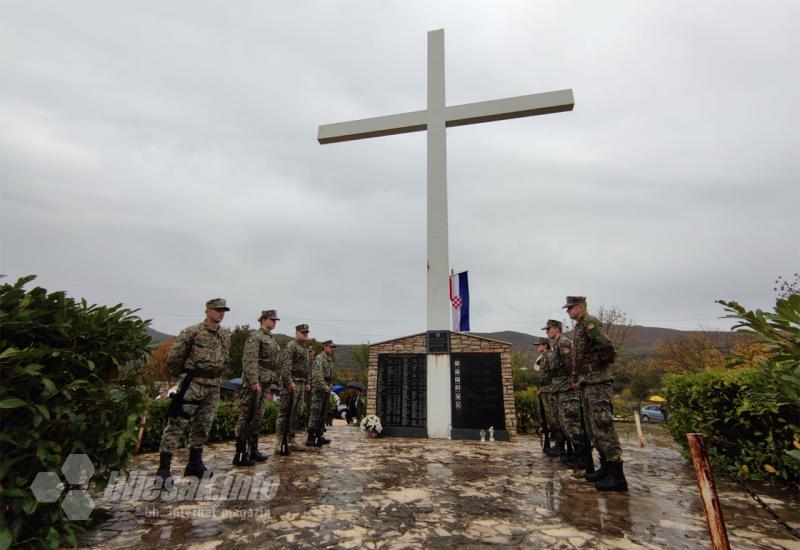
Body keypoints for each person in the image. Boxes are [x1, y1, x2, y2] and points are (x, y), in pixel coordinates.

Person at [156, 298, 231, 482]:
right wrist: (185, 376)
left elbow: (225, 359)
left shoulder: (224, 336)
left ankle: (194, 465)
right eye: (216, 309)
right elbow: (174, 359)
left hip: (213, 385)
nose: (220, 313)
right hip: (193, 384)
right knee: (177, 424)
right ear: (207, 311)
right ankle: (164, 469)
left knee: (203, 425)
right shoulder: (192, 332)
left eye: (223, 310)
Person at [564, 295, 628, 492]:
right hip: (587, 383)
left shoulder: (590, 323)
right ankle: (606, 468)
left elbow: (606, 346)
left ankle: (617, 476)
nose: (568, 311)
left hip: (597, 381)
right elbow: (579, 357)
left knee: (603, 425)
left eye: (571, 308)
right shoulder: (580, 327)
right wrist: (578, 377)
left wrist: (598, 368)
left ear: (581, 307)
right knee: (593, 428)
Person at [232, 309, 281, 466]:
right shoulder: (255, 337)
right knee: (246, 416)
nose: (274, 322)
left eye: (275, 320)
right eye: (272, 319)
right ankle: (240, 454)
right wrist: (254, 381)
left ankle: (253, 450)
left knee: (257, 416)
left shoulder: (270, 339)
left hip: (266, 382)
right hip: (255, 383)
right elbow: (250, 360)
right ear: (263, 319)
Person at [275, 324, 311, 453]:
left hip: (301, 384)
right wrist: (289, 381)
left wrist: (307, 382)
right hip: (291, 384)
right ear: (296, 333)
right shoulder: (291, 346)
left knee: (297, 412)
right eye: (302, 332)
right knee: (285, 412)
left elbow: (307, 368)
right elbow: (285, 367)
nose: (305, 334)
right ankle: (279, 441)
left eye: (306, 332)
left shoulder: (305, 349)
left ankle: (291, 438)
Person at [307, 339, 336, 446]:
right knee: (315, 412)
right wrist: (324, 386)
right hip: (319, 389)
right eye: (330, 347)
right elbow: (318, 375)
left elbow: (331, 375)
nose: (331, 349)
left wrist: (330, 385)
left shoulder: (329, 359)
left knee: (323, 414)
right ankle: (310, 437)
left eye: (332, 347)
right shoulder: (319, 358)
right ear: (325, 346)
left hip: (326, 389)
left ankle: (319, 436)